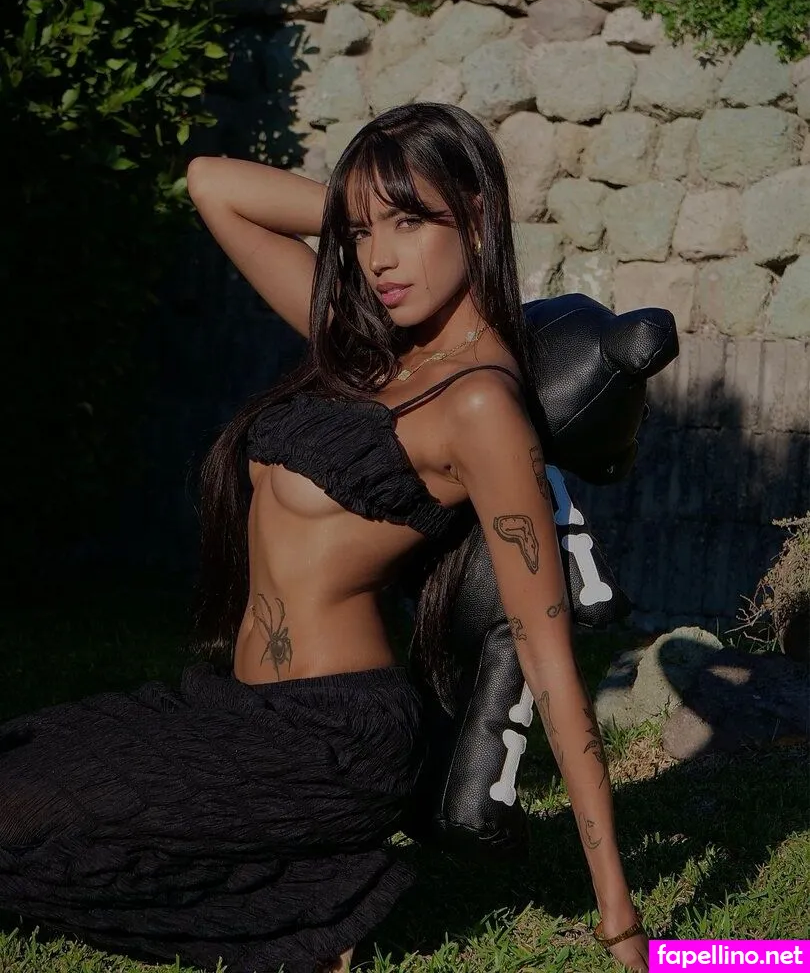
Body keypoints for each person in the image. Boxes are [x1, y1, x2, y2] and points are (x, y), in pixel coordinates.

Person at [0, 102, 649, 973]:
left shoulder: (479, 406)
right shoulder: (370, 346)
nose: (378, 259)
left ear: (478, 217)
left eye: (410, 224)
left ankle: (305, 899)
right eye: (362, 232)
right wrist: (367, 206)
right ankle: (293, 889)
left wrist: (618, 914)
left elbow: (549, 656)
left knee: (23, 821)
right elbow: (212, 184)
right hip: (236, 712)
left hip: (328, 741)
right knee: (26, 761)